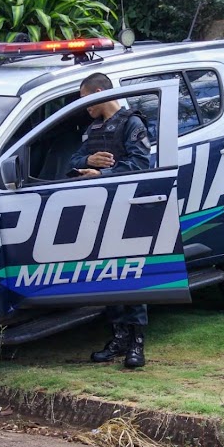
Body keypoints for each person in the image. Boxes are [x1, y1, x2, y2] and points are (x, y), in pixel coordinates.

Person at [70, 72, 151, 368]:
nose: (86, 107)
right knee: (110, 276)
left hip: (129, 207)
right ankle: (118, 338)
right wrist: (87, 162)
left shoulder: (132, 123)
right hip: (101, 211)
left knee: (132, 277)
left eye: (87, 100)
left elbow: (141, 164)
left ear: (101, 92)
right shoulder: (92, 129)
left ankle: (137, 344)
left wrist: (102, 174)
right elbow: (72, 161)